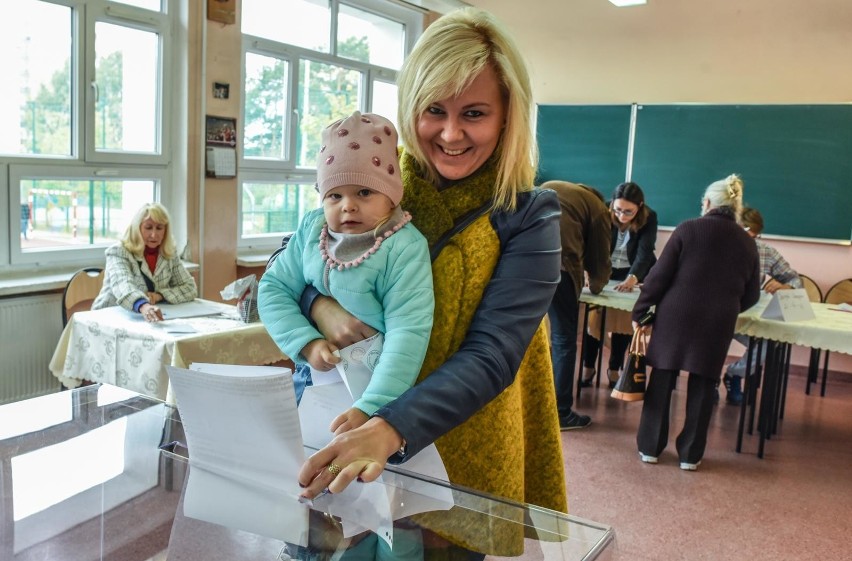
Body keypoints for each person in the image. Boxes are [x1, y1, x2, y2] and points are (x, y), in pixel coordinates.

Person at [294, 7, 567, 554]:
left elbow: (493, 353)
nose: (450, 133)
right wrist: (319, 308)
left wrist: (390, 427)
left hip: (464, 452)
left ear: (508, 116)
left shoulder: (529, 214)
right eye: (434, 110)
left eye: (475, 113)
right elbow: (295, 254)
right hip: (346, 427)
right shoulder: (378, 178)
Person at [258, 111, 434, 429]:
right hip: (313, 377)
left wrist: (373, 406)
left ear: (392, 197)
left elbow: (408, 333)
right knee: (310, 457)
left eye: (364, 192)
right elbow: (273, 288)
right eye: (334, 195)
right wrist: (306, 343)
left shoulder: (405, 247)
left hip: (374, 389)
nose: (348, 206)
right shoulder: (313, 229)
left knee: (355, 471)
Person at [631, 174, 760, 471]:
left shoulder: (688, 229)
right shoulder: (746, 241)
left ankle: (650, 447)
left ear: (707, 203)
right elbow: (752, 294)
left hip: (676, 315)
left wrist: (641, 313)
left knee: (662, 378)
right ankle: (690, 455)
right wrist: (726, 307)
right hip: (718, 320)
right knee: (704, 384)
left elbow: (657, 278)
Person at [542, 180, 612, 430]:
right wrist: (596, 287)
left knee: (525, 337)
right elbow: (600, 256)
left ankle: (530, 405)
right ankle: (561, 413)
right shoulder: (599, 208)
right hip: (557, 266)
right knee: (563, 340)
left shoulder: (555, 185)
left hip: (522, 258)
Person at [721, 206, 802, 405]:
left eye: (756, 237)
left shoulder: (765, 252)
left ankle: (734, 373)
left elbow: (796, 280)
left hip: (747, 316)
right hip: (718, 313)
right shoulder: (717, 247)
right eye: (748, 234)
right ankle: (709, 381)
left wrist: (785, 286)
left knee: (766, 343)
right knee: (712, 340)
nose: (752, 241)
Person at [581, 181, 657, 388]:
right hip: (605, 269)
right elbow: (589, 243)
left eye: (628, 212)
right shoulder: (602, 211)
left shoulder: (649, 218)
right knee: (594, 321)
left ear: (639, 207)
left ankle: (614, 369)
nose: (622, 215)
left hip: (631, 272)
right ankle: (588, 366)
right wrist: (589, 271)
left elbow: (644, 253)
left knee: (623, 323)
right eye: (618, 209)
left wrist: (632, 278)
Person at [92, 202, 197, 322]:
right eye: (148, 227)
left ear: (165, 231)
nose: (154, 234)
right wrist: (143, 305)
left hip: (150, 317)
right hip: (110, 317)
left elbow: (190, 288)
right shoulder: (118, 251)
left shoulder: (168, 253)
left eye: (159, 228)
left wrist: (160, 295)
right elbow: (124, 286)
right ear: (138, 228)